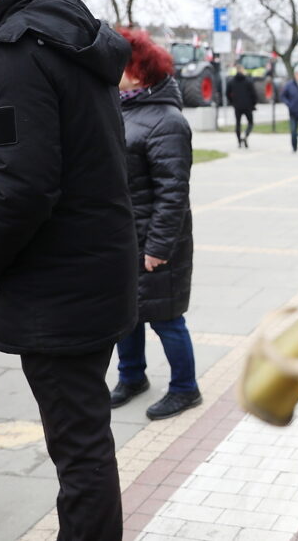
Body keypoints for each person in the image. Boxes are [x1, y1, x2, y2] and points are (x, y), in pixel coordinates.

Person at [0, 0, 136, 538]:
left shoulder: (17, 51)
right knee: (86, 442)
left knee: (79, 453)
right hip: (92, 273)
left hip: (58, 290)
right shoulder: (69, 30)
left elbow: (22, 186)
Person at [111, 28, 202, 421]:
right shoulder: (121, 108)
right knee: (124, 315)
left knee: (166, 319)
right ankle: (132, 377)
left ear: (138, 71)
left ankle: (185, 388)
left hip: (154, 240)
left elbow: (173, 192)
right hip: (122, 238)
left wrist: (158, 248)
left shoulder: (167, 120)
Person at [226, 64, 257, 148]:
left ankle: (239, 141)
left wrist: (232, 102)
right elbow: (254, 94)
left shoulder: (231, 81)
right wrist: (253, 104)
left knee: (238, 124)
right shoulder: (248, 81)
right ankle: (246, 135)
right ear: (242, 70)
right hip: (248, 106)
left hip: (237, 106)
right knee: (250, 122)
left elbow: (227, 93)